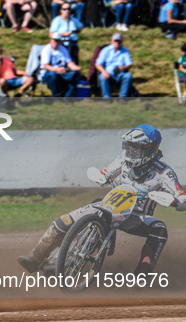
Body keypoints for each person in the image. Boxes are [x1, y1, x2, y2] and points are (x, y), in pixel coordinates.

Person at [18, 124, 186, 276]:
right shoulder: (123, 159)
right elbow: (106, 173)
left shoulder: (164, 173)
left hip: (136, 217)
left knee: (159, 229)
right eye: (129, 147)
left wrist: (176, 202)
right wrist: (102, 177)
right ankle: (35, 257)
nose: (131, 151)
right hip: (111, 207)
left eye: (136, 148)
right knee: (64, 220)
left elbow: (182, 198)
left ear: (149, 150)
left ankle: (141, 277)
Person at [40, 33, 81, 97]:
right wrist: (57, 69)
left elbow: (69, 62)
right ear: (51, 40)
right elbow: (46, 66)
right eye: (55, 40)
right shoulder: (46, 49)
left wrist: (75, 67)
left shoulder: (63, 49)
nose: (56, 42)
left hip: (62, 72)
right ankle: (55, 96)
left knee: (75, 75)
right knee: (52, 75)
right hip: (47, 73)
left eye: (58, 40)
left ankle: (67, 96)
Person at [95, 33, 133, 98]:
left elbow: (129, 64)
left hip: (120, 74)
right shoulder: (106, 50)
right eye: (115, 41)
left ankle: (122, 97)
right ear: (112, 41)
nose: (117, 42)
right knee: (102, 77)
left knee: (128, 75)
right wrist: (104, 72)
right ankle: (106, 97)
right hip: (108, 74)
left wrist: (122, 67)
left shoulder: (125, 51)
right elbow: (98, 64)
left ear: (121, 41)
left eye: (119, 41)